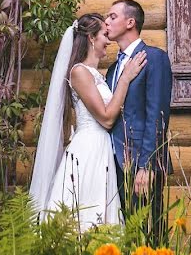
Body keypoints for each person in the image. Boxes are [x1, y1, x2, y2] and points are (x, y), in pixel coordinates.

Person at [29, 13, 147, 230]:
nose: (108, 40)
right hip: (87, 152)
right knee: (84, 214)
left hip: (102, 149)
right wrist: (126, 79)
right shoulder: (79, 72)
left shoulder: (98, 74)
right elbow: (106, 117)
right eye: (104, 34)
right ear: (91, 38)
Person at [104, 0, 172, 245]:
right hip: (113, 164)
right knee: (124, 236)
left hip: (141, 165)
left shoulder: (154, 58)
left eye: (112, 16)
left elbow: (157, 115)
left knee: (148, 234)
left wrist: (147, 166)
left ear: (130, 22)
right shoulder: (112, 69)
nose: (106, 22)